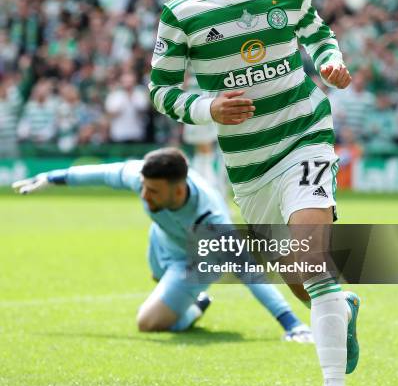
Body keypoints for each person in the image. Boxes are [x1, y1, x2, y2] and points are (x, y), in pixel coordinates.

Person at [149, 0, 360, 386]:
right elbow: (162, 90)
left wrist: (332, 64)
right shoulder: (182, 13)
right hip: (247, 166)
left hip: (305, 138)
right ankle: (344, 310)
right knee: (299, 274)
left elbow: (320, 37)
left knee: (311, 261)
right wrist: (208, 106)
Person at [12, 147, 312, 342]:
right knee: (158, 283)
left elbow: (248, 271)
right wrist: (51, 178)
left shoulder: (211, 217)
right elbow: (102, 174)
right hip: (161, 243)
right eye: (143, 187)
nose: (144, 195)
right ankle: (190, 299)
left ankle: (197, 305)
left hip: (198, 262)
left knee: (149, 323)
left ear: (179, 190)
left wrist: (291, 324)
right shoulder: (144, 178)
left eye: (153, 191)